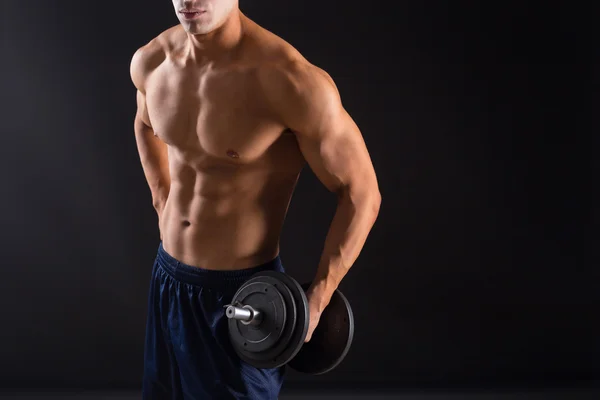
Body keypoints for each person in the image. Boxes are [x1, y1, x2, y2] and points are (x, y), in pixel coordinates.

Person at [130, 0, 381, 398]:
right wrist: (162, 199)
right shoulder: (152, 62)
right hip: (168, 282)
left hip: (243, 296)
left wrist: (318, 297)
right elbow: (145, 124)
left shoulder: (289, 81)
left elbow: (362, 194)